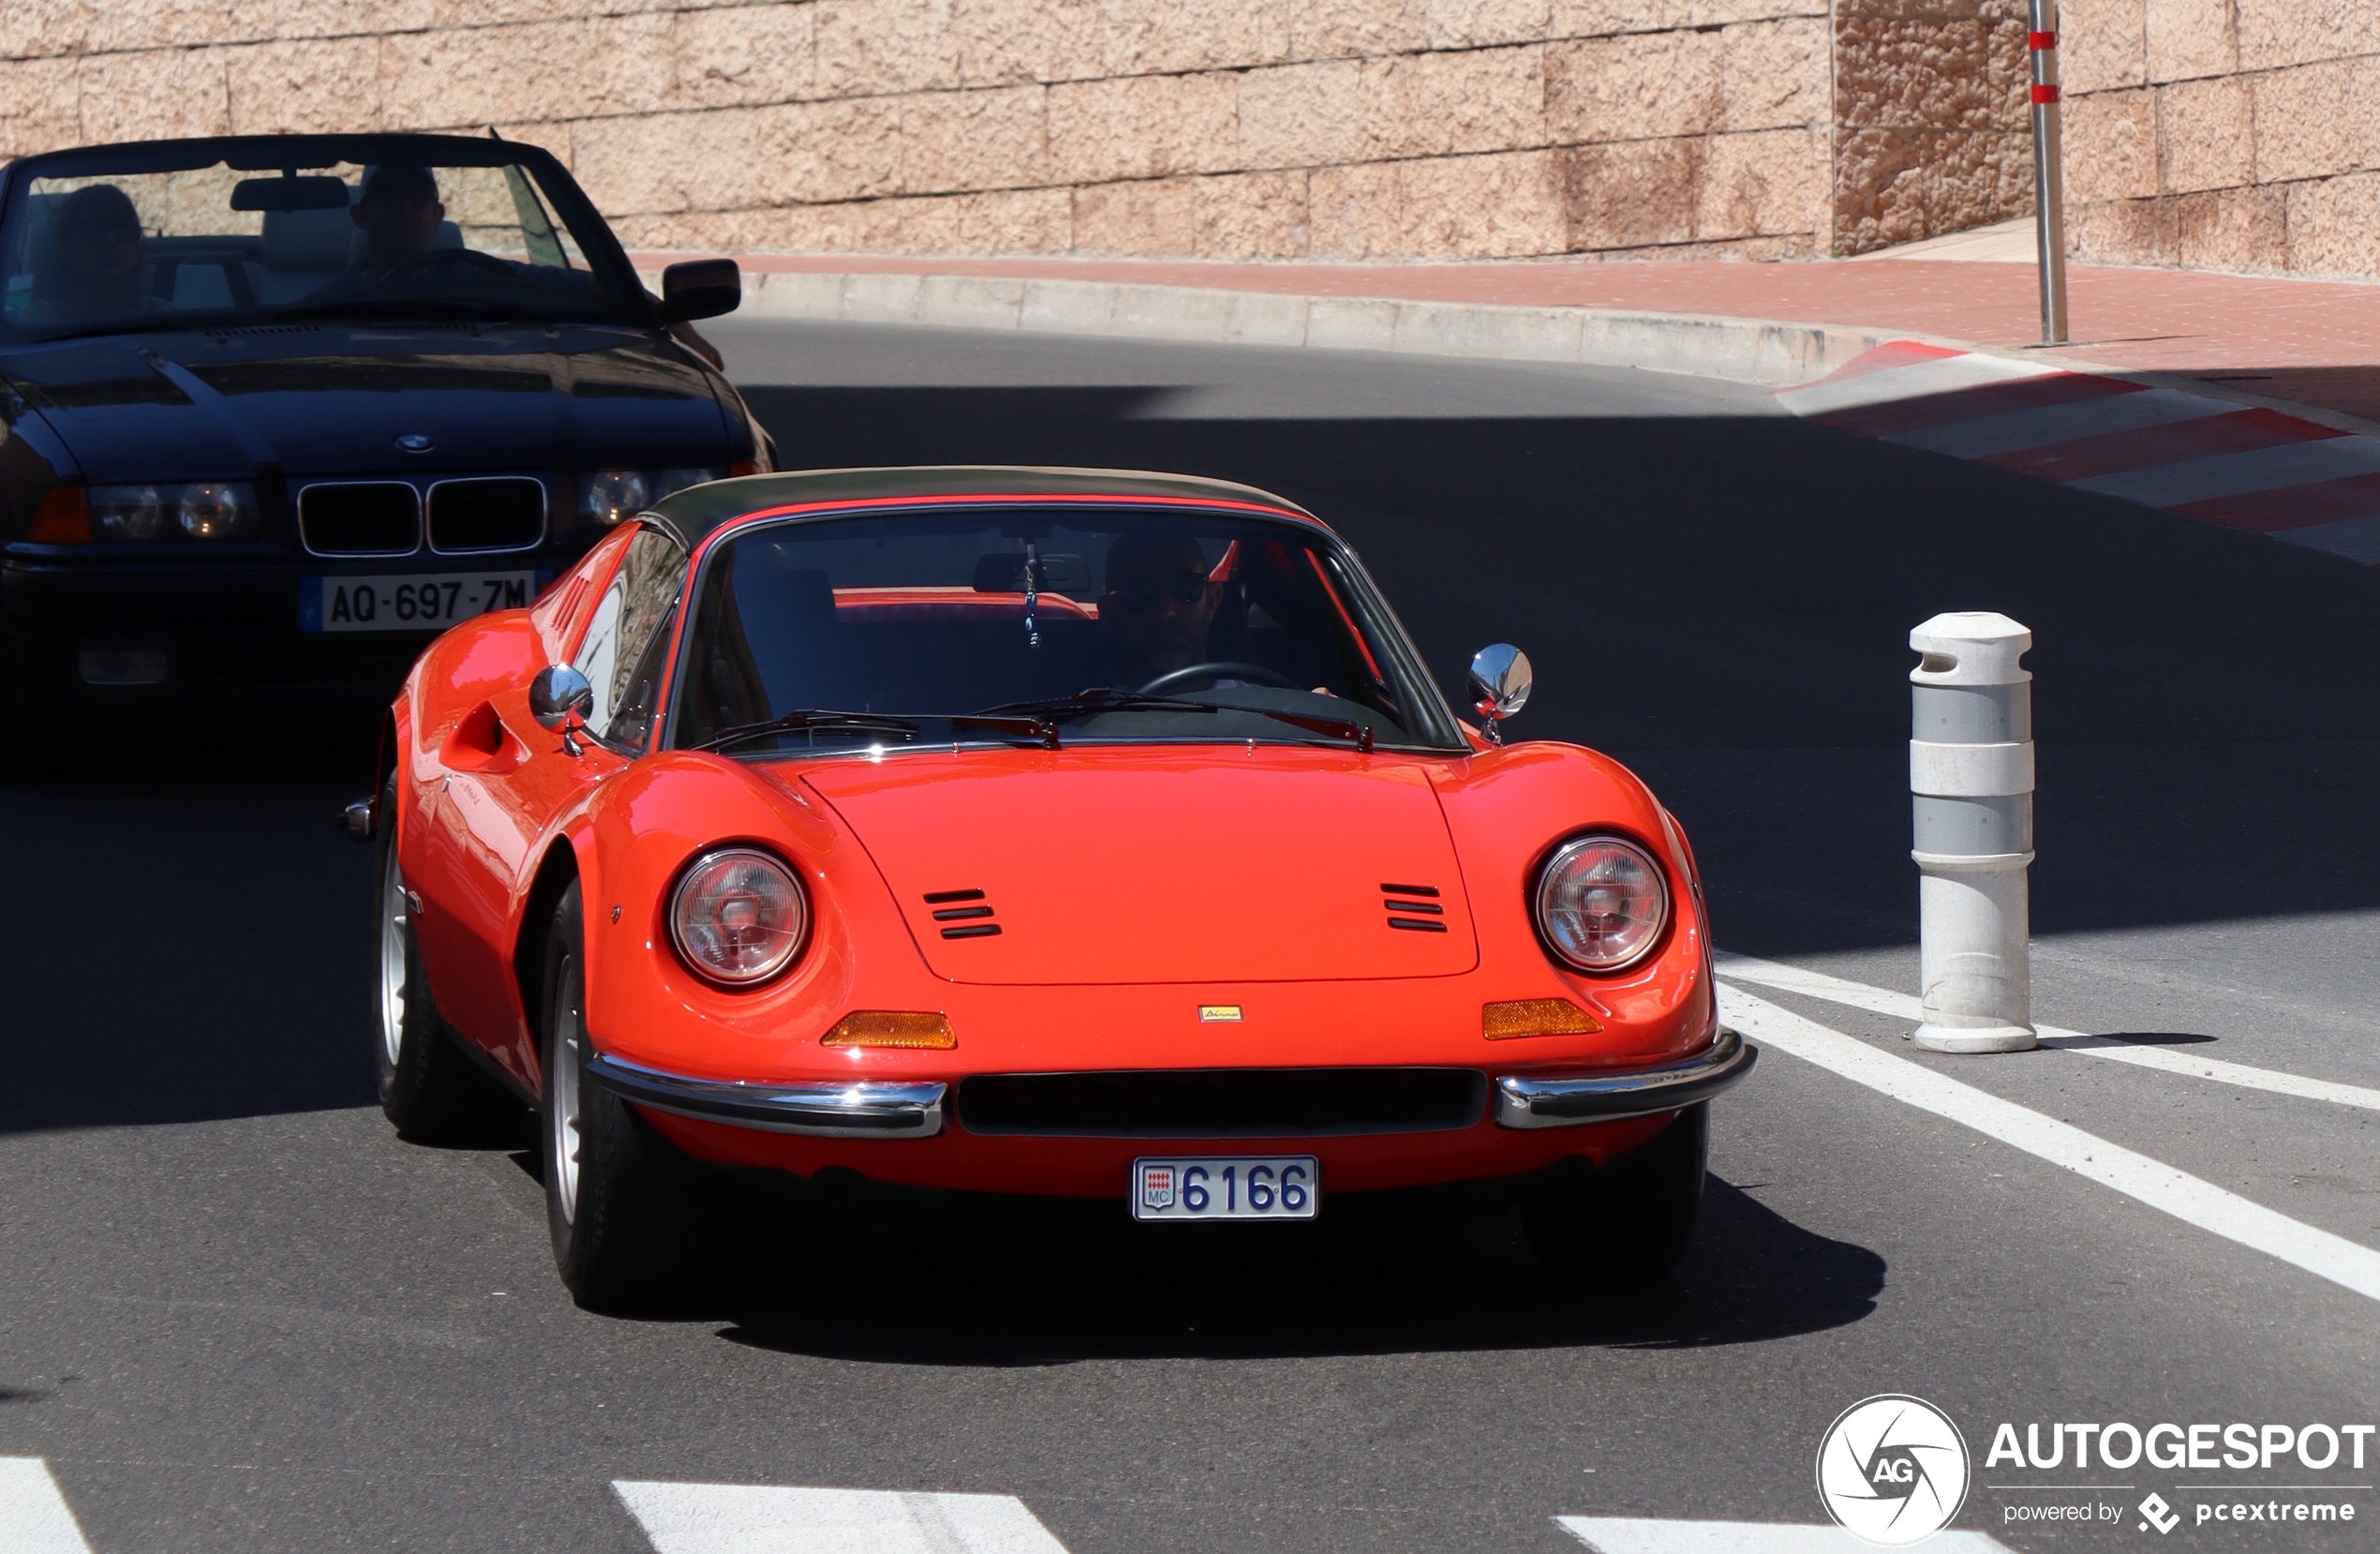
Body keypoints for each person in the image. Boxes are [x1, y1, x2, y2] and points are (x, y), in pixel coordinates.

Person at [1098, 530, 1221, 685]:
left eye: (1184, 587)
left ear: (1211, 600)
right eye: (1139, 591)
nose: (1166, 611)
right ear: (1110, 612)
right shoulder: (1085, 709)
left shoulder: (1257, 704)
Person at [27, 185, 153, 323]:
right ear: (66, 248)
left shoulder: (163, 317)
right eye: (92, 231)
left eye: (123, 230)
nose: (110, 241)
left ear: (137, 249)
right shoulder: (33, 320)